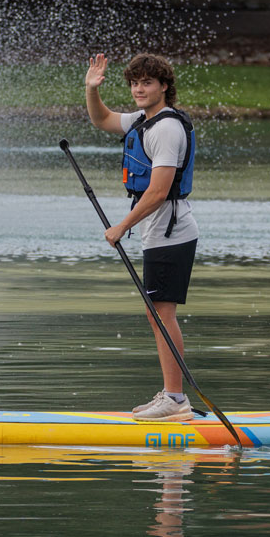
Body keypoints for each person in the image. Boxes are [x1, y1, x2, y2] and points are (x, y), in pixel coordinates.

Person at [85, 52, 198, 422]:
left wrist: (121, 225)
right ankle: (171, 394)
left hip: (171, 234)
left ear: (164, 86)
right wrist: (91, 89)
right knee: (157, 316)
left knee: (163, 315)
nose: (138, 89)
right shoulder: (142, 120)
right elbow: (102, 119)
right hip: (158, 234)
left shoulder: (166, 129)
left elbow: (159, 190)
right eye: (134, 83)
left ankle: (176, 400)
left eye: (147, 82)